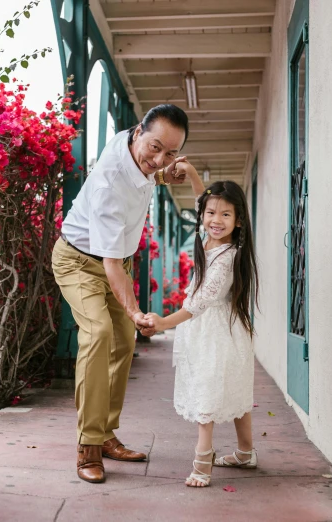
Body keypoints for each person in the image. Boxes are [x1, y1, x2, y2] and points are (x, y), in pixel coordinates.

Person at [52, 104, 190, 484]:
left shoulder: (135, 147)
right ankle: (88, 446)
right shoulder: (110, 182)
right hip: (79, 261)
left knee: (123, 343)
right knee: (98, 333)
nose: (160, 159)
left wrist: (164, 175)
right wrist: (133, 310)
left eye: (171, 152)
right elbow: (111, 265)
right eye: (156, 148)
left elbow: (147, 173)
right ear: (137, 133)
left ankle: (105, 434)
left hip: (114, 262)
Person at [145, 162, 260, 488]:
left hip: (218, 330)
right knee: (233, 391)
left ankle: (203, 463)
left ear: (239, 222)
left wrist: (163, 322)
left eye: (226, 215)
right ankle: (245, 453)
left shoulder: (228, 256)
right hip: (206, 329)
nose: (216, 220)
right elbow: (201, 201)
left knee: (211, 395)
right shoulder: (206, 237)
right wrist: (193, 173)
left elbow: (198, 304)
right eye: (212, 213)